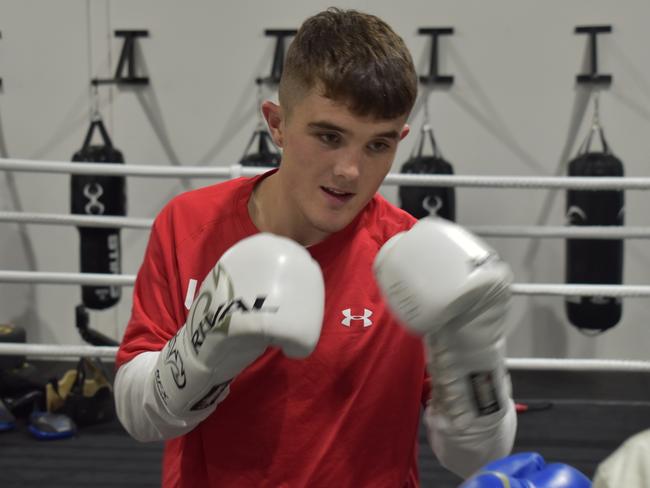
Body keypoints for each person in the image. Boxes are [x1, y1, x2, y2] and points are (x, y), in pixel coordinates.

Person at [114, 7, 517, 487]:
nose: (350, 171)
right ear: (277, 124)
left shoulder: (412, 260)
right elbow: (140, 417)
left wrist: (475, 353)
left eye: (377, 146)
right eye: (329, 136)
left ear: (400, 140)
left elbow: (474, 458)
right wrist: (201, 353)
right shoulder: (190, 225)